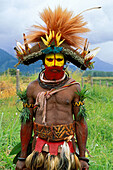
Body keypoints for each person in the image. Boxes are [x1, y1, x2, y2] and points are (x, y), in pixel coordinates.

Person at [15, 6, 100, 170]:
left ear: (65, 61)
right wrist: (22, 157)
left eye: (59, 59)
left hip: (66, 151)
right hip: (39, 151)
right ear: (43, 61)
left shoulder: (74, 88)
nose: (54, 64)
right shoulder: (33, 88)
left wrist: (82, 158)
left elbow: (80, 122)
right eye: (50, 60)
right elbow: (26, 123)